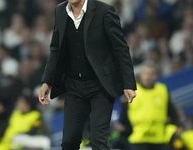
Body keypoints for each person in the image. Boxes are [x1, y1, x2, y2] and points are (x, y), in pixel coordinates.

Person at [38, 0, 137, 149]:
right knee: (69, 141)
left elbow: (121, 49)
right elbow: (56, 50)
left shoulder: (104, 11)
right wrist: (47, 82)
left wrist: (128, 84)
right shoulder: (60, 11)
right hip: (74, 86)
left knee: (99, 141)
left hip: (101, 86)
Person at [126, 62, 182, 150]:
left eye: (151, 74)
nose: (149, 77)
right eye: (146, 74)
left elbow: (171, 110)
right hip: (139, 138)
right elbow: (124, 114)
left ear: (156, 75)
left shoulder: (162, 90)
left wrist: (178, 125)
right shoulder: (132, 90)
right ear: (140, 75)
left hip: (159, 138)